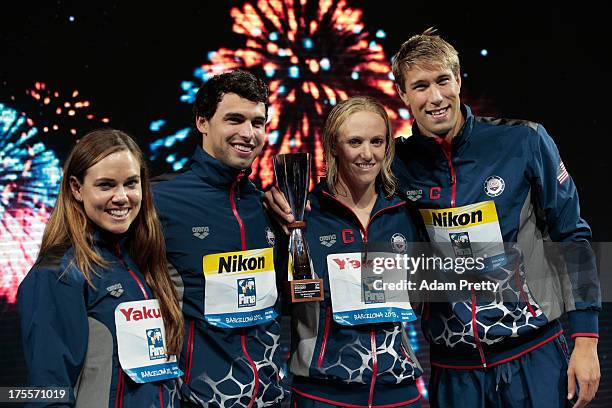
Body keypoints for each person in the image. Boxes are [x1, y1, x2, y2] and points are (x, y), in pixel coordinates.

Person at [266, 29, 601, 408]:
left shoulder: (524, 142)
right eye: (420, 85)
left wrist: (586, 339)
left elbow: (572, 237)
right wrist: (281, 198)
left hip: (533, 353)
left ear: (458, 80)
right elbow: (344, 190)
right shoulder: (397, 165)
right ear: (403, 94)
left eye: (443, 80)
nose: (436, 96)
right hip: (453, 370)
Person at [18, 129, 184, 407]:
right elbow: (47, 394)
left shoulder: (146, 261)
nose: (121, 197)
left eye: (131, 183)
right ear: (76, 188)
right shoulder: (58, 274)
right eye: (106, 185)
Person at [153, 69, 285, 407]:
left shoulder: (266, 205)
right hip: (196, 399)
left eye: (258, 122)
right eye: (234, 119)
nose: (248, 133)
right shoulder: (159, 200)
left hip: (270, 398)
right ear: (202, 122)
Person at [288, 96, 423, 407]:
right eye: (355, 141)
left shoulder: (405, 212)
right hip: (324, 394)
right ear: (334, 146)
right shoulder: (302, 214)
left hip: (399, 393)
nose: (367, 154)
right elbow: (285, 298)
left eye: (377, 141)